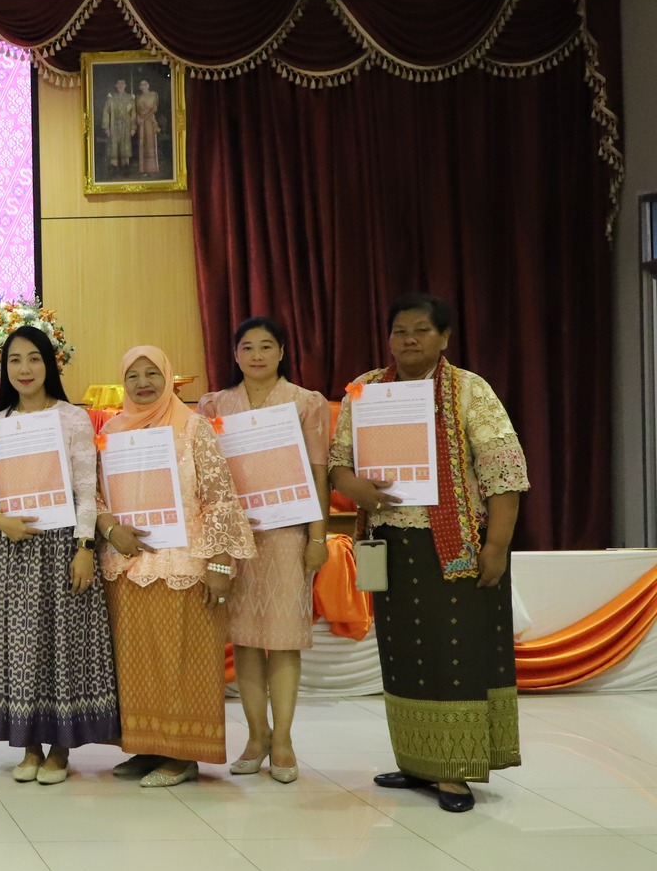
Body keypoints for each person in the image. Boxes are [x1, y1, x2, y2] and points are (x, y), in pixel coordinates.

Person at [330, 293, 527, 813]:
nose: (409, 340)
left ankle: (456, 772)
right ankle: (418, 761)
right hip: (392, 543)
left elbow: (505, 472)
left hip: (456, 546)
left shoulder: (468, 390)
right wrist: (357, 489)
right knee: (404, 658)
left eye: (421, 330)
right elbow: (337, 462)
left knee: (454, 657)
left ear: (444, 337)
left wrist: (498, 546)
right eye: (400, 331)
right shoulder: (366, 391)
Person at [97, 344, 255, 788]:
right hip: (129, 564)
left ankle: (182, 755)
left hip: (186, 563)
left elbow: (221, 497)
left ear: (168, 378)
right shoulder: (112, 431)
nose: (143, 383)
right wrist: (110, 530)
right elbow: (96, 496)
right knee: (137, 662)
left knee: (183, 659)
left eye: (152, 373)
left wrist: (220, 565)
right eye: (133, 375)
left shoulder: (193, 428)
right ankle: (148, 747)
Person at [0, 326, 118, 784]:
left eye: (33, 358)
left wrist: (85, 546)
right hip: (11, 548)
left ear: (48, 364)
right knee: (18, 647)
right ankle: (28, 745)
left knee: (61, 645)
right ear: (4, 368)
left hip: (61, 547)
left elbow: (86, 490)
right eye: (15, 360)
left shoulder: (71, 418)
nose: (24, 369)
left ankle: (60, 748)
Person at [196, 316, 331, 784]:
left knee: (284, 638)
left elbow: (318, 472)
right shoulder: (214, 405)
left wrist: (318, 537)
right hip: (235, 538)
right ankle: (256, 735)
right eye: (247, 347)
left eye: (266, 346)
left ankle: (285, 739)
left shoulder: (305, 403)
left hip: (287, 535)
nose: (256, 355)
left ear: (281, 353)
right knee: (247, 639)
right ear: (235, 355)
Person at [102, 78, 134, 170]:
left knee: (125, 144)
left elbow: (133, 113)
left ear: (125, 85)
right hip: (114, 125)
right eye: (118, 83)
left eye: (122, 83)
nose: (120, 85)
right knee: (113, 145)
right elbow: (106, 112)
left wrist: (133, 128)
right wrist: (106, 128)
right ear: (115, 85)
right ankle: (114, 167)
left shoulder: (129, 98)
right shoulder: (111, 98)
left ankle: (125, 167)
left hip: (126, 125)